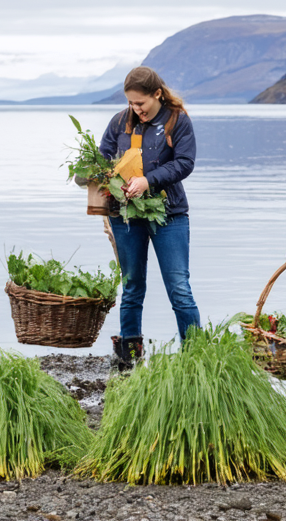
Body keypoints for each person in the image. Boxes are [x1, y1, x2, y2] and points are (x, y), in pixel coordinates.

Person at [101, 66, 201, 371]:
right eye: (131, 103)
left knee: (179, 288)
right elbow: (102, 159)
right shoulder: (120, 122)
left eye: (141, 103)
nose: (136, 109)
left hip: (169, 214)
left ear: (157, 94)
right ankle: (129, 359)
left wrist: (148, 180)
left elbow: (185, 163)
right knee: (132, 287)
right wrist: (99, 181)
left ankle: (196, 358)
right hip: (126, 217)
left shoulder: (177, 120)